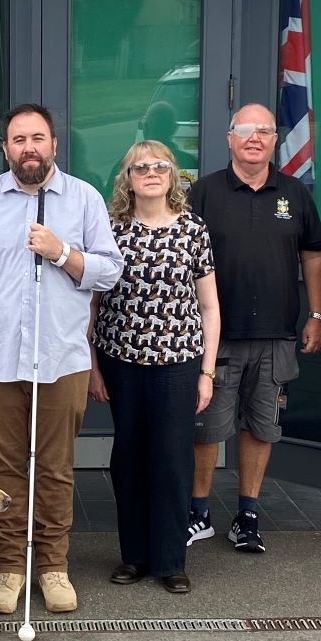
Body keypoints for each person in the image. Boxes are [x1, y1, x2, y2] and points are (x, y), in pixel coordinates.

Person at [0, 103, 123, 616]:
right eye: (18, 139)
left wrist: (60, 253)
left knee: (53, 468)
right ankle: (9, 568)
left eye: (38, 138)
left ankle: (52, 566)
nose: (28, 147)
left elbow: (110, 271)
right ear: (5, 148)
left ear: (54, 144)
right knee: (3, 469)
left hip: (61, 358)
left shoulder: (84, 199)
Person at [185, 103, 321, 555]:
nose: (254, 138)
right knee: (206, 430)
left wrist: (318, 314)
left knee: (262, 427)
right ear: (229, 138)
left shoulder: (296, 194)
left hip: (275, 334)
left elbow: (314, 257)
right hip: (215, 339)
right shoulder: (203, 193)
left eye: (264, 131)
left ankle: (247, 515)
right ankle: (198, 512)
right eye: (244, 130)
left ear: (273, 140)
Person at [89, 142, 220, 594]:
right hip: (120, 361)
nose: (150, 173)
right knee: (128, 458)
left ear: (171, 175)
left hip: (178, 364)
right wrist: (91, 365)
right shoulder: (110, 230)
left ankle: (170, 560)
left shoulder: (193, 229)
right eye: (139, 167)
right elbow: (93, 302)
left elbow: (209, 305)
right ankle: (134, 557)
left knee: (171, 459)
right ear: (126, 178)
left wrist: (207, 372)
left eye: (159, 166)